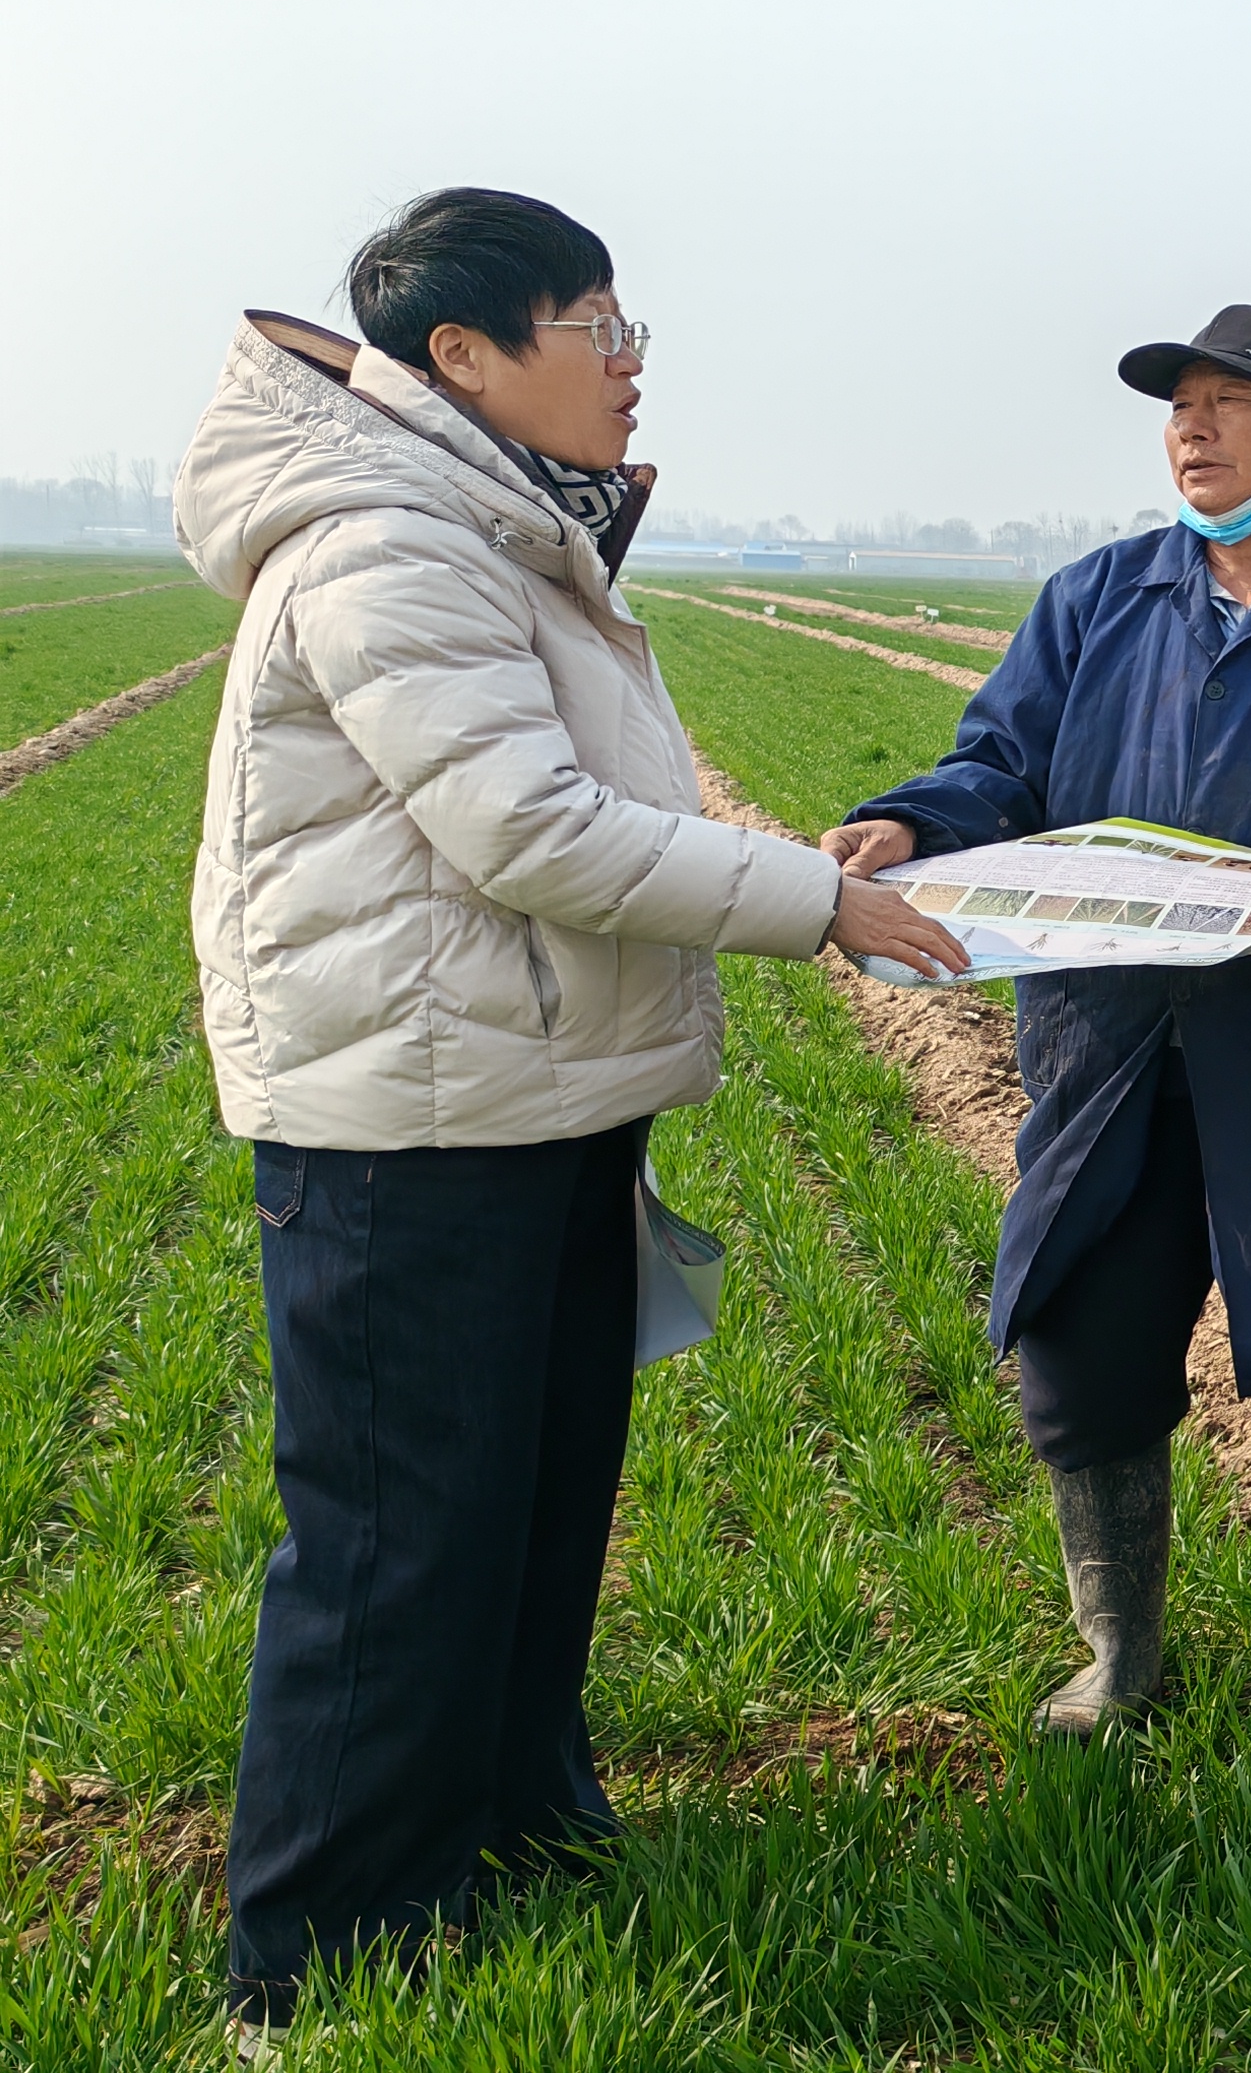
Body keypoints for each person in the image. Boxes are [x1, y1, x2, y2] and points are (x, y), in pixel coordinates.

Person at [179, 189, 969, 2043]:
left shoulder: (497, 523)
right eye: (596, 329)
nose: (629, 365)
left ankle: (516, 1846)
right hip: (411, 1130)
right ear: (463, 357)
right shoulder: (390, 541)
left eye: (632, 329)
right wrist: (815, 900)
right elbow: (527, 828)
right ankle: (317, 1968)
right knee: (398, 1545)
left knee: (527, 1515)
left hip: (518, 1097)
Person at [830, 305, 1251, 1735]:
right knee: (1086, 1340)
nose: (1191, 429)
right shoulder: (1097, 601)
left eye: (1229, 402)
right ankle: (1120, 1653)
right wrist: (912, 823)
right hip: (1116, 1047)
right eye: (1178, 406)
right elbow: (1000, 764)